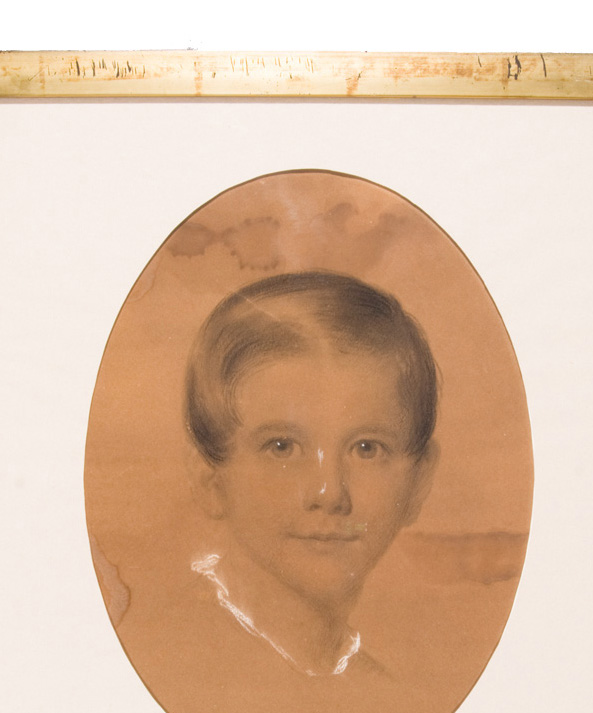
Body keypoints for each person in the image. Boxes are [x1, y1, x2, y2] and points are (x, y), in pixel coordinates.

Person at [184, 271, 439, 679]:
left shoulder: (381, 695)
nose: (329, 492)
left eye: (366, 449)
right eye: (282, 447)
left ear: (419, 481)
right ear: (211, 480)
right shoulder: (181, 666)